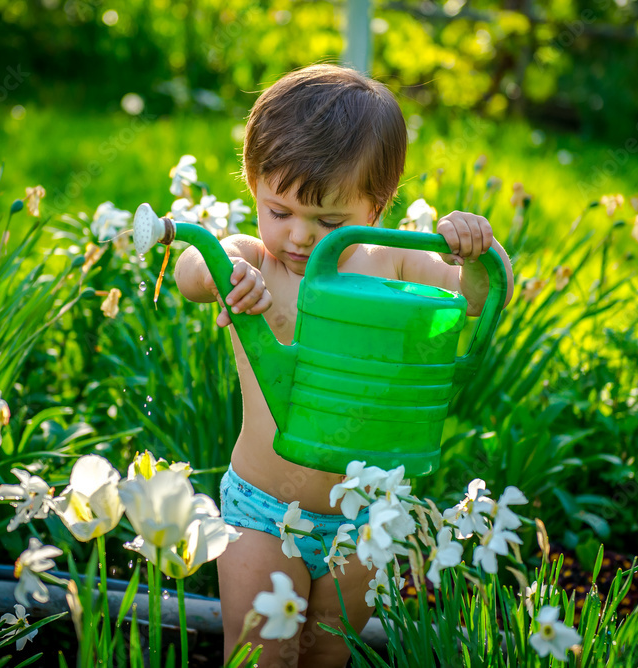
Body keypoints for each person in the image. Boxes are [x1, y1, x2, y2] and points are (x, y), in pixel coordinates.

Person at [174, 64, 514, 668]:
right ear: (253, 186)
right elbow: (193, 272)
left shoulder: (395, 264)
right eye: (278, 210)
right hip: (261, 509)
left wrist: (476, 250)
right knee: (260, 655)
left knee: (329, 656)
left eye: (330, 221)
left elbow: (474, 298)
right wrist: (231, 279)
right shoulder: (256, 262)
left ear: (377, 207)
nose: (300, 236)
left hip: (364, 519)